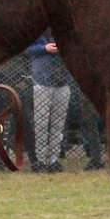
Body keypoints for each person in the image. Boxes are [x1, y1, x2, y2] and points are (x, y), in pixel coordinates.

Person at [27, 31, 71, 172]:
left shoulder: (63, 28)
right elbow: (26, 49)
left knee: (58, 124)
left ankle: (53, 160)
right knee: (41, 123)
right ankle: (40, 160)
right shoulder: (36, 30)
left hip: (62, 81)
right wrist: (44, 48)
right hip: (41, 81)